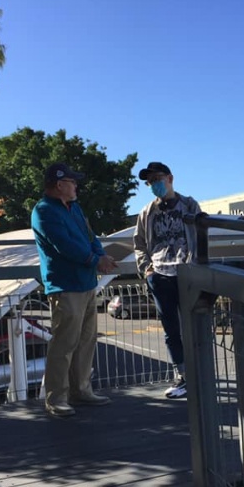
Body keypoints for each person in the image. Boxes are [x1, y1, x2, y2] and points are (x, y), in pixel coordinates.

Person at [31, 162, 117, 416]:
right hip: (65, 286)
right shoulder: (43, 211)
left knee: (86, 341)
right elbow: (64, 245)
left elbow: (90, 237)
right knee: (64, 343)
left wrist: (101, 256)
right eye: (72, 182)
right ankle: (56, 398)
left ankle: (81, 391)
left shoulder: (75, 208)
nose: (76, 186)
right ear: (59, 185)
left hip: (87, 283)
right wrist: (95, 260)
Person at [133, 162, 202, 399]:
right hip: (160, 275)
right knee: (171, 330)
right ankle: (182, 375)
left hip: (187, 273)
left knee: (194, 326)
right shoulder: (147, 212)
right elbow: (139, 244)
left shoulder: (189, 205)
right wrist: (147, 269)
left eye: (157, 179)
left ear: (170, 178)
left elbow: (200, 236)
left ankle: (199, 373)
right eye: (150, 182)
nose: (154, 184)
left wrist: (196, 265)